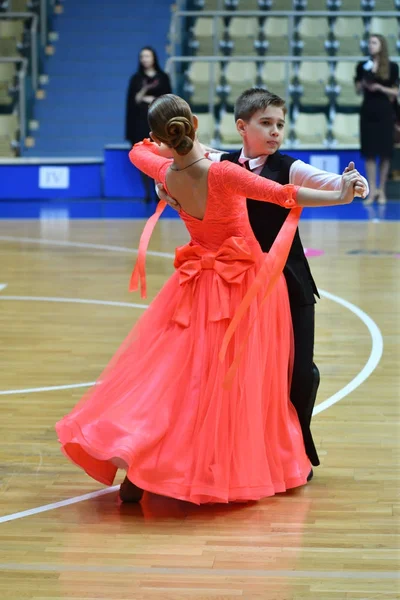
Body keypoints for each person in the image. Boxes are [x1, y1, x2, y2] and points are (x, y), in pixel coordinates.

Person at [56, 94, 366, 506]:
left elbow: (137, 151)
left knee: (180, 379)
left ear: (163, 136)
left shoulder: (163, 170)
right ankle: (214, 467)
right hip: (245, 288)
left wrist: (160, 165)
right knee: (230, 385)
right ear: (196, 123)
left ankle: (142, 468)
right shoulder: (223, 173)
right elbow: (285, 195)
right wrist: (342, 196)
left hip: (195, 285)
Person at [156, 88, 369, 471]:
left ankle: (299, 443)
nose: (275, 132)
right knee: (247, 373)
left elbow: (325, 180)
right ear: (242, 127)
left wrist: (352, 183)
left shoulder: (288, 167)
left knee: (301, 371)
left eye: (280, 125)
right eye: (266, 123)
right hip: (242, 285)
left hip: (289, 281)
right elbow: (174, 155)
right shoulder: (218, 164)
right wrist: (162, 184)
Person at [355, 34, 399, 205]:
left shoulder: (392, 67)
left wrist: (379, 87)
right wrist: (365, 81)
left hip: (386, 112)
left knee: (385, 154)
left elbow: (396, 92)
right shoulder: (362, 66)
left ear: (382, 45)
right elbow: (358, 89)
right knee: (370, 153)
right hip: (368, 111)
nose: (370, 45)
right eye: (369, 43)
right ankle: (372, 190)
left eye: (374, 42)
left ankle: (382, 191)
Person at [125, 46, 172, 202]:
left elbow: (168, 100)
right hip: (139, 124)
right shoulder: (136, 79)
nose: (145, 59)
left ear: (154, 58)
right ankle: (147, 193)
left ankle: (160, 192)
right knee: (144, 160)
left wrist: (152, 101)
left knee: (158, 158)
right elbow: (132, 103)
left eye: (148, 56)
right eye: (142, 56)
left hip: (157, 124)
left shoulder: (163, 77)